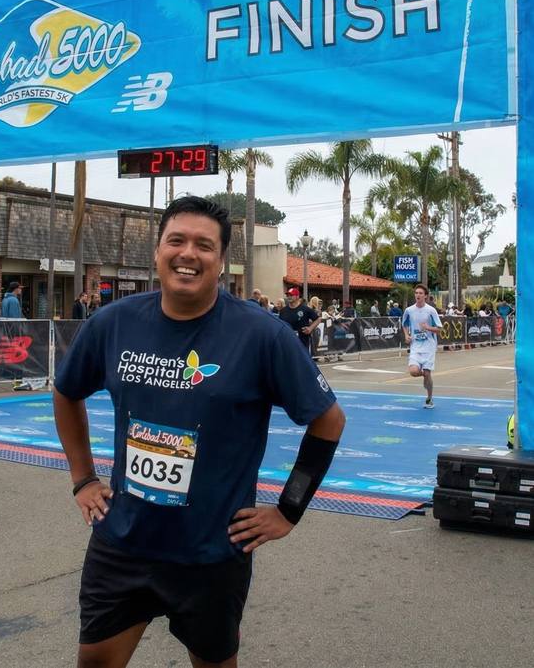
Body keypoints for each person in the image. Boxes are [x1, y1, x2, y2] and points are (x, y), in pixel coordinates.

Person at [53, 196, 345, 667]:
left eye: (204, 245)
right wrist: (84, 478)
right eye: (177, 240)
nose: (188, 253)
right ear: (158, 251)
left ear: (221, 260)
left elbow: (328, 420)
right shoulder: (114, 323)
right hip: (123, 544)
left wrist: (289, 509)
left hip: (211, 554)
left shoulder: (262, 335)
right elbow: (66, 391)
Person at [402, 284, 443, 409]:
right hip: (416, 346)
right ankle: (425, 375)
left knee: (427, 372)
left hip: (429, 347)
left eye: (420, 293)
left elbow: (439, 329)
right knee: (413, 372)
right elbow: (404, 324)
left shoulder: (431, 311)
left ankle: (429, 398)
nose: (418, 295)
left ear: (425, 296)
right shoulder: (409, 310)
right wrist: (406, 335)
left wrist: (427, 328)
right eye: (416, 293)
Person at [279, 288, 322, 354]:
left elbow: (318, 319)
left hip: (302, 340)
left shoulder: (305, 309)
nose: (289, 297)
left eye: (291, 295)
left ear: (297, 296)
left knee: (301, 361)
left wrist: (310, 328)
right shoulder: (283, 311)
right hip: (287, 341)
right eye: (288, 295)